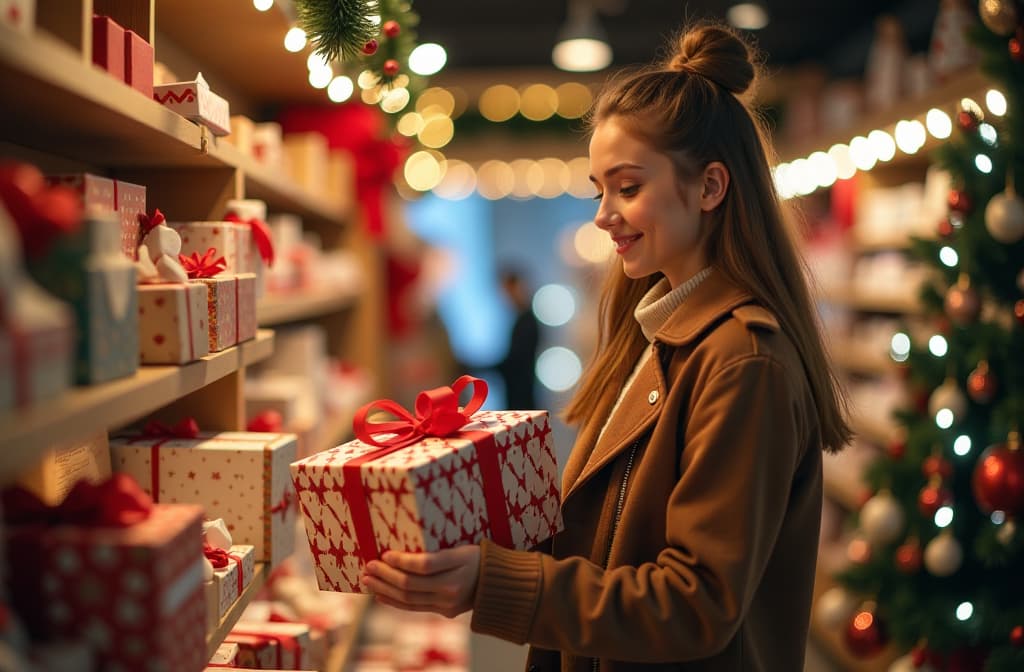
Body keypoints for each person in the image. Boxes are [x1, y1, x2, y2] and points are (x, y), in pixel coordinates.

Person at [361, 20, 851, 672]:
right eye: (601, 190)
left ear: (709, 187)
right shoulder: (660, 337)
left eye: (628, 187)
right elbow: (615, 538)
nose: (602, 214)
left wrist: (494, 582)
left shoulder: (742, 363)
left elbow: (694, 604)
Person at [496, 267, 541, 410]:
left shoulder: (526, 320)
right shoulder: (523, 318)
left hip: (522, 394)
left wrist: (476, 368)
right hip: (521, 392)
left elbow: (515, 361)